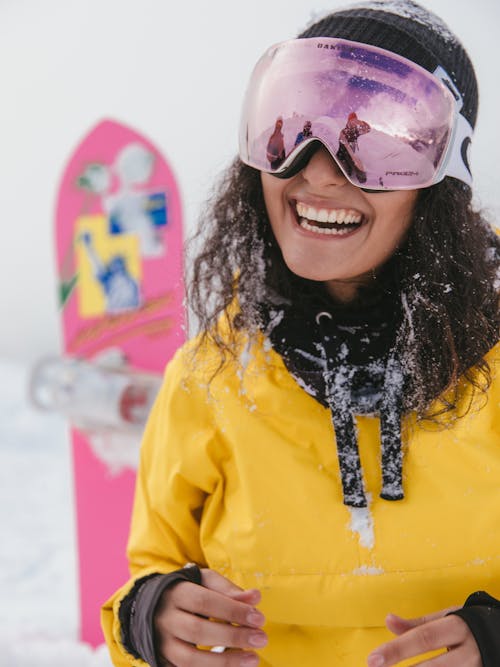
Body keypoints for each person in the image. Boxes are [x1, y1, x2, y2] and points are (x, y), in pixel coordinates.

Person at [102, 2, 500, 666]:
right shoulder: (211, 375)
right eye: (291, 126)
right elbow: (148, 572)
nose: (317, 170)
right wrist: (153, 616)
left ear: (441, 177)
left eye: (373, 140)